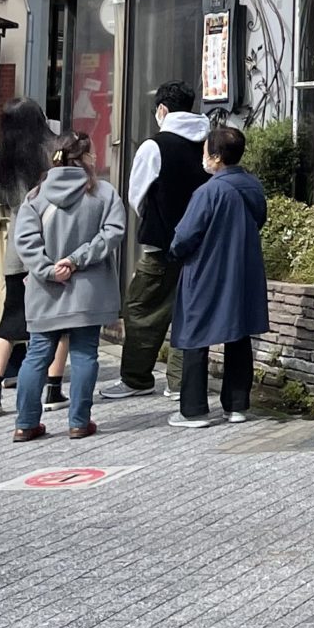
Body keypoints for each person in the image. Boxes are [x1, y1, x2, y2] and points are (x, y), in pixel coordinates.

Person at [10, 133, 127, 443]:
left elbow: (24, 241)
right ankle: (79, 422)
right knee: (85, 353)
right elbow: (113, 232)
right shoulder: (103, 192)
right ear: (85, 157)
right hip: (89, 289)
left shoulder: (36, 196)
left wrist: (48, 270)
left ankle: (25, 423)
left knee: (37, 355)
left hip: (45, 290)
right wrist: (77, 260)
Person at [166, 122, 270, 428]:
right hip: (244, 269)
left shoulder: (209, 191)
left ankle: (194, 410)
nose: (203, 157)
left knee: (195, 334)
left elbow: (185, 236)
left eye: (205, 152)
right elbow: (259, 219)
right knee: (238, 332)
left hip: (206, 270)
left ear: (216, 157)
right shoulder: (253, 186)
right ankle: (237, 406)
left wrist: (175, 252)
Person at [115, 81, 210, 400]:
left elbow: (137, 196)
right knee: (189, 311)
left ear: (162, 109)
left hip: (161, 244)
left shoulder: (154, 146)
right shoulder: (208, 142)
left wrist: (157, 220)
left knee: (141, 309)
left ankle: (136, 379)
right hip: (200, 245)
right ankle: (181, 382)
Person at [0, 102, 56, 419]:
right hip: (50, 246)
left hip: (17, 249)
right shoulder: (50, 155)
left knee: (10, 318)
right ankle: (52, 387)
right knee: (54, 321)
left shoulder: (0, 162)